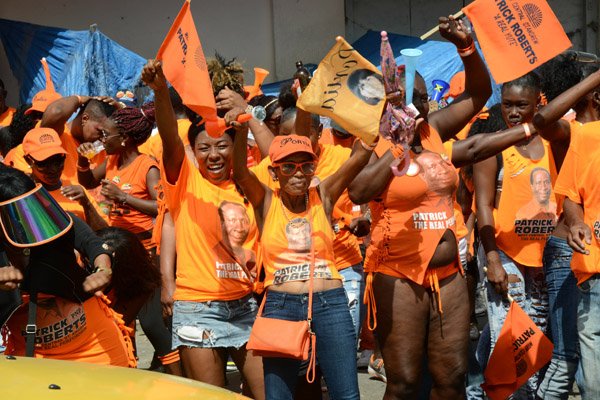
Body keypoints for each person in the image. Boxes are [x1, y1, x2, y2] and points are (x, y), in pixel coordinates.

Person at [347, 15, 546, 399]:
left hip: (450, 276)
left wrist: (466, 47)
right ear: (391, 102)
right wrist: (398, 146)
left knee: (452, 380)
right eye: (410, 98)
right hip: (399, 276)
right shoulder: (374, 142)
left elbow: (476, 93)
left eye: (422, 97)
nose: (419, 104)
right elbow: (358, 191)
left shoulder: (433, 130)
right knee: (403, 383)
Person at [233, 99, 376, 400]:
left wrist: (372, 107)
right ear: (274, 173)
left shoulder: (322, 196)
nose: (298, 173)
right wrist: (238, 133)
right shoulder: (266, 201)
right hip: (280, 306)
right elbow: (242, 175)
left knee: (346, 396)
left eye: (306, 165)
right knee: (279, 396)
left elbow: (361, 154)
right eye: (289, 166)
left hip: (332, 304)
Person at [142, 60, 264, 399]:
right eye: (204, 148)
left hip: (246, 306)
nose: (214, 154)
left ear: (235, 148)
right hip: (198, 307)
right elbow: (169, 137)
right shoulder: (186, 181)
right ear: (193, 153)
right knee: (212, 396)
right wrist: (161, 92)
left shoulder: (246, 185)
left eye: (222, 145)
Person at [473, 72, 558, 398]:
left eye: (521, 105)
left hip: (543, 257)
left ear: (538, 102)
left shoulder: (554, 143)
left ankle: (480, 388)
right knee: (510, 341)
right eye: (507, 104)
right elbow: (482, 205)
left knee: (533, 337)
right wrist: (491, 259)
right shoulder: (494, 146)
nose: (512, 112)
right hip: (504, 253)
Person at [0, 165, 134, 367]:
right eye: (18, 215)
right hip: (31, 357)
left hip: (95, 347)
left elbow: (92, 242)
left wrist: (104, 268)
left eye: (31, 208)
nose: (28, 220)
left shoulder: (52, 220)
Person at [531, 60, 600, 399]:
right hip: (571, 251)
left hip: (588, 254)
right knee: (569, 355)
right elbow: (541, 121)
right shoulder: (574, 132)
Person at [554, 119, 600, 400]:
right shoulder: (586, 135)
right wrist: (576, 223)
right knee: (594, 385)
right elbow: (570, 196)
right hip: (594, 273)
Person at [22, 127, 107, 230]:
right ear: (28, 161)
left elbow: (104, 232)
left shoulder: (77, 191)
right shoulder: (22, 194)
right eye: (44, 163)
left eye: (58, 160)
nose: (53, 169)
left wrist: (86, 203)